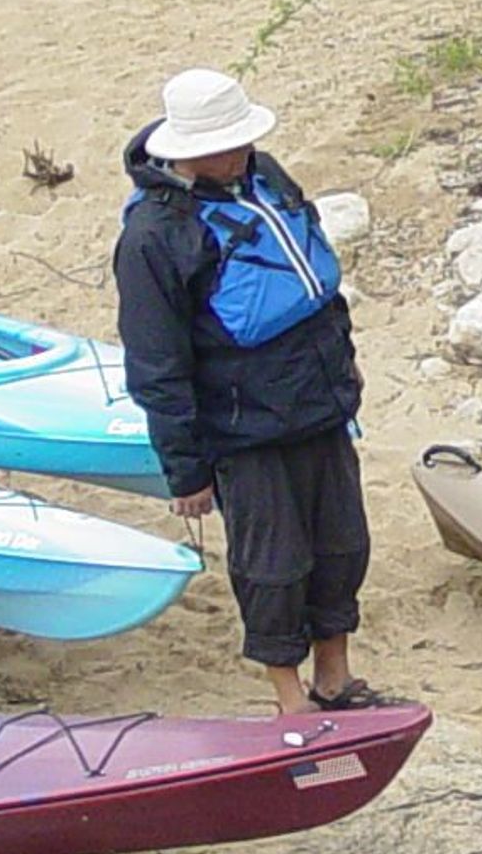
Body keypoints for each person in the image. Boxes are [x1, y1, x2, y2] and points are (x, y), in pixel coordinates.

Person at [114, 68, 389, 716]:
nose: (243, 150)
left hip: (319, 407)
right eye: (229, 142)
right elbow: (156, 364)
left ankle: (335, 678)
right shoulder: (152, 238)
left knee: (342, 544)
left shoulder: (265, 175)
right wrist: (185, 469)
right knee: (274, 566)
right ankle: (289, 700)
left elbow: (317, 291)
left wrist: (342, 372)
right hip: (244, 431)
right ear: (186, 150)